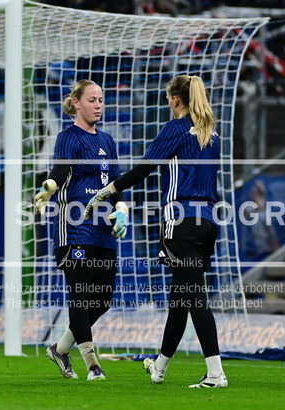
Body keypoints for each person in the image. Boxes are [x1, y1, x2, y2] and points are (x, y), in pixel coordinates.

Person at [85, 75, 227, 388]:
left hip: (181, 221)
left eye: (168, 100)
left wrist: (110, 189)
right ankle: (159, 367)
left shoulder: (176, 128)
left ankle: (216, 373)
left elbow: (145, 167)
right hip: (208, 223)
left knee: (194, 297)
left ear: (175, 100)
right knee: (181, 298)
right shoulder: (212, 133)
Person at [35, 79, 127, 381]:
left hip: (103, 229)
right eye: (91, 100)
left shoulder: (108, 141)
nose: (98, 105)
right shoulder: (69, 136)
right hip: (75, 227)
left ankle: (60, 349)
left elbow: (116, 183)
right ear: (76, 103)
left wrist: (121, 209)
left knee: (102, 301)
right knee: (81, 295)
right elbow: (61, 170)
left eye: (101, 100)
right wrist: (50, 186)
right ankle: (92, 364)